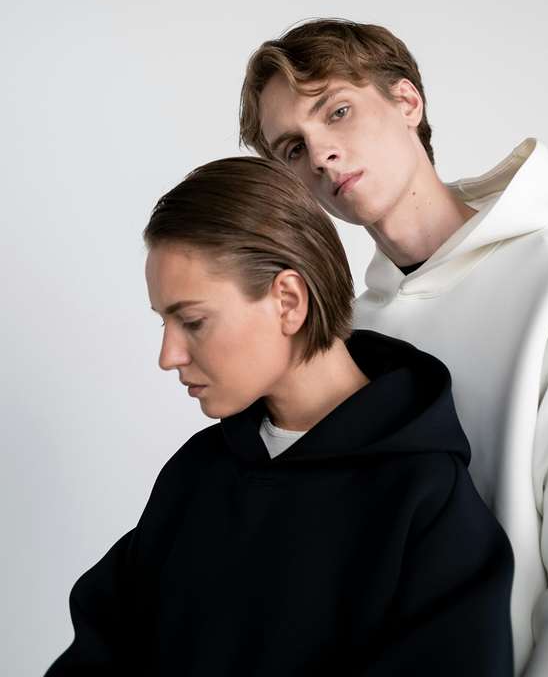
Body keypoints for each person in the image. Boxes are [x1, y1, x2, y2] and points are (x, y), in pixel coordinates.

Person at [239, 17, 548, 677]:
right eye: (292, 148)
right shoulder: (353, 339)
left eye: (337, 111)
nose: (321, 155)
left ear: (406, 101)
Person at [44, 155, 514, 677]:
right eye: (164, 324)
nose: (168, 355)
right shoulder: (197, 474)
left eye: (192, 321)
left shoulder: (427, 504)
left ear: (288, 300)